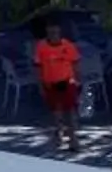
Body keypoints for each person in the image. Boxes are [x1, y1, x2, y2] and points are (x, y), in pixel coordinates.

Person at [30, 19, 80, 155]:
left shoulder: (68, 46)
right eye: (51, 32)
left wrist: (78, 81)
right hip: (50, 84)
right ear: (47, 32)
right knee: (56, 113)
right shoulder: (41, 47)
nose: (53, 35)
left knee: (69, 113)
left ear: (60, 32)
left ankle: (73, 140)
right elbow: (38, 67)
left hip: (67, 82)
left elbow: (75, 65)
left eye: (56, 32)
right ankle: (58, 134)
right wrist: (40, 85)